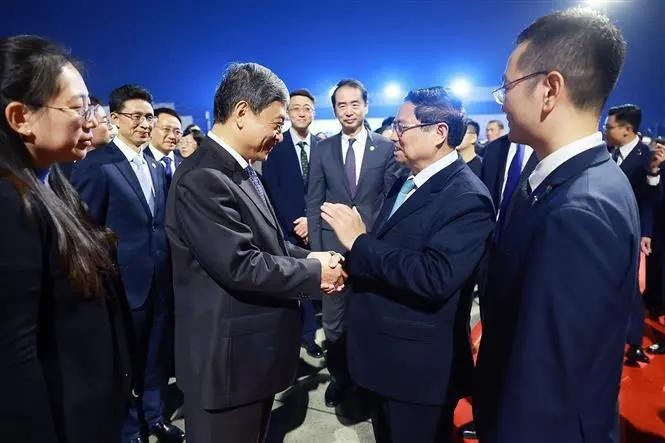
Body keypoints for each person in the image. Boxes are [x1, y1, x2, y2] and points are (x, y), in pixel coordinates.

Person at [475, 9, 640, 442]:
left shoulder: (580, 209)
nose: (503, 100)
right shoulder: (576, 180)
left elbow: (545, 386)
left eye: (507, 86)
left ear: (549, 89)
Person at [165, 62, 345, 443]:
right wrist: (316, 275)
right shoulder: (204, 177)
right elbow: (241, 264)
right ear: (242, 112)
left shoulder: (242, 169)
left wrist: (313, 258)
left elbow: (270, 246)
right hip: (226, 367)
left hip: (248, 363)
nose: (280, 135)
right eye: (276, 123)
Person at [322, 86, 494, 443]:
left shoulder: (466, 197)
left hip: (418, 372)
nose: (392, 136)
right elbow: (389, 250)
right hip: (385, 361)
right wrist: (351, 263)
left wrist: (360, 243)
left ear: (439, 133)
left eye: (402, 127)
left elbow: (434, 276)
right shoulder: (404, 180)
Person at [0, 34, 131, 443]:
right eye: (78, 107)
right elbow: (13, 359)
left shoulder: (52, 181)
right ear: (20, 117)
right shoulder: (10, 203)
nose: (92, 119)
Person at [70, 85, 184, 443]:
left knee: (155, 355)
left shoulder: (154, 162)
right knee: (124, 362)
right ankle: (129, 429)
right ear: (116, 120)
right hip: (121, 284)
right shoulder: (97, 165)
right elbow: (85, 232)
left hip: (159, 279)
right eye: (136, 116)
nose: (145, 124)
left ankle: (155, 417)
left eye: (149, 116)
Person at [306, 78, 399, 407]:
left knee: (369, 317)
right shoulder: (323, 149)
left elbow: (389, 202)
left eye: (354, 103)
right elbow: (314, 203)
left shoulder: (385, 148)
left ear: (366, 105)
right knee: (333, 323)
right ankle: (339, 377)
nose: (349, 110)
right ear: (334, 110)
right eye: (341, 105)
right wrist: (317, 254)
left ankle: (368, 379)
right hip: (332, 251)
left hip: (370, 249)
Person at [262, 88, 324, 359]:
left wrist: (312, 221)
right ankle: (306, 335)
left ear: (314, 112)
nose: (301, 112)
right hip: (288, 227)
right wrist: (295, 222)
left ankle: (314, 334)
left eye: (307, 108)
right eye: (295, 107)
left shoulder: (325, 147)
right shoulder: (275, 145)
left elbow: (328, 189)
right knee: (298, 283)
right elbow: (272, 189)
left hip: (318, 224)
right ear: (287, 113)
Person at [604, 104, 664, 367]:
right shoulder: (607, 153)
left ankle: (634, 341)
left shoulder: (647, 157)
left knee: (628, 288)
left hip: (630, 231)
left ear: (627, 130)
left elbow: (652, 201)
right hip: (603, 229)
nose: (605, 131)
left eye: (609, 126)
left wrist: (653, 173)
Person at [145, 107, 184, 193]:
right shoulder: (140, 162)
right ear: (150, 130)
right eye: (166, 129)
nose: (172, 136)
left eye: (177, 132)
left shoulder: (186, 163)